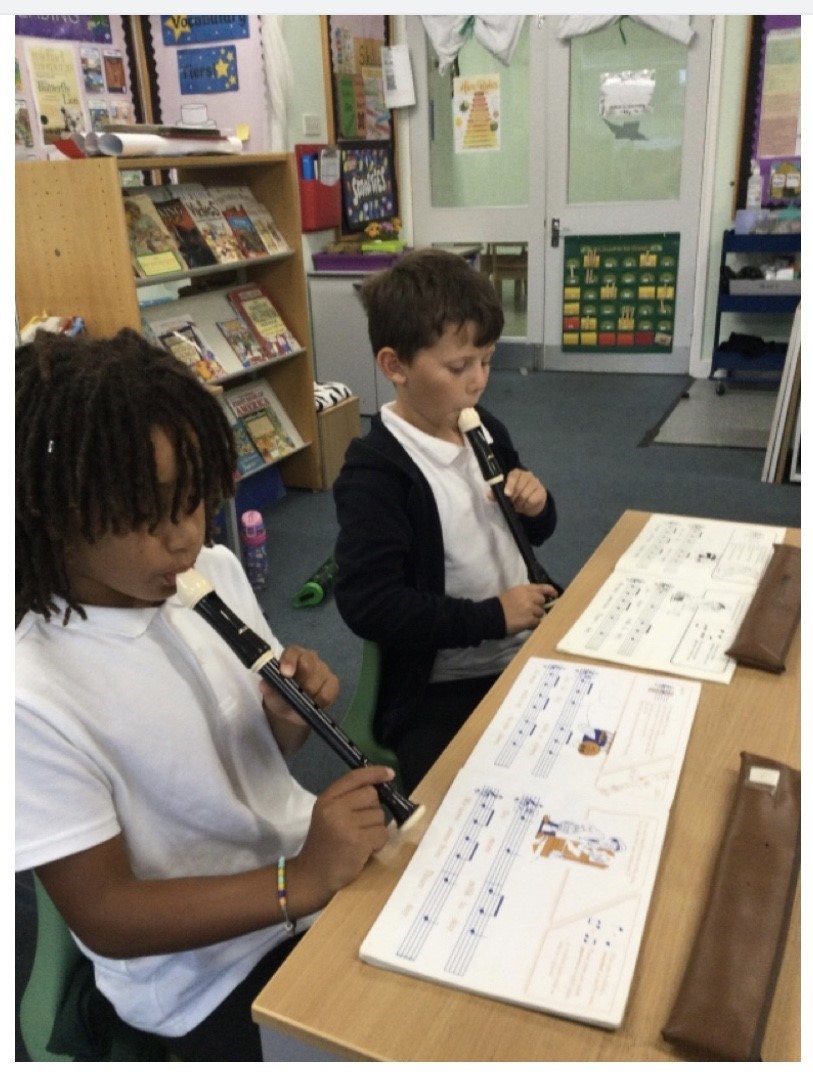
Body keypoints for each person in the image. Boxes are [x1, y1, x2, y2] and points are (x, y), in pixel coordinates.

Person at [15, 329, 393, 1062]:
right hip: (201, 979)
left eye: (195, 500)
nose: (186, 536)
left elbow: (251, 761)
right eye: (150, 511)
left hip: (307, 884)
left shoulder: (213, 572)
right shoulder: (32, 693)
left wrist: (284, 718)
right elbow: (107, 916)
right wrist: (298, 880)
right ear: (55, 511)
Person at [332, 248, 560, 793]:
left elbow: (529, 535)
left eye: (487, 359)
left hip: (527, 639)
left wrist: (536, 506)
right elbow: (370, 604)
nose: (478, 380)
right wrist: (491, 617)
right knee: (475, 799)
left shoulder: (484, 429)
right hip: (444, 685)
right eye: (458, 367)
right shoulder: (377, 473)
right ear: (396, 366)